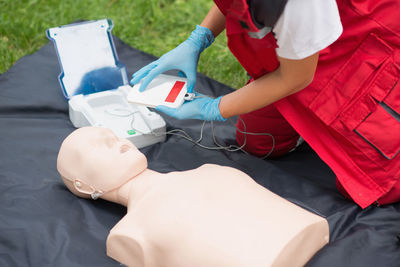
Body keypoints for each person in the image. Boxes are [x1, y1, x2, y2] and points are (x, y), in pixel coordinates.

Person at [130, 0, 400, 208]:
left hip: (359, 58)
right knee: (258, 141)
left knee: (372, 186)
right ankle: (307, 122)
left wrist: (214, 108)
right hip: (297, 54)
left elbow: (296, 77)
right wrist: (199, 38)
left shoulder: (300, 5)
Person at [57, 126, 329, 267]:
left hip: (308, 230)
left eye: (113, 136)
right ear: (82, 185)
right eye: (99, 147)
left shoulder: (208, 170)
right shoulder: (129, 234)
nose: (119, 143)